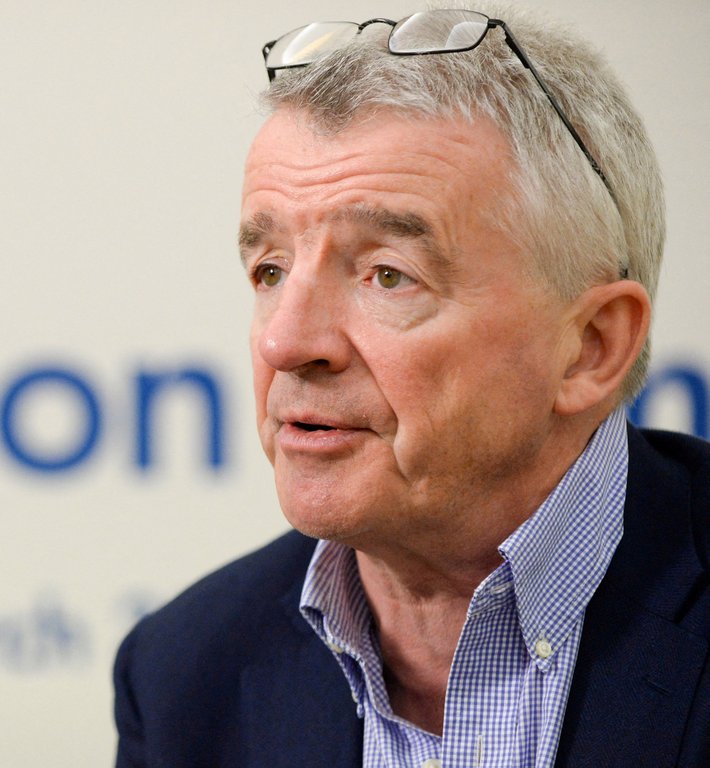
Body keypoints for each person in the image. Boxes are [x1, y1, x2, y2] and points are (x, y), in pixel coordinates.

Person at [112, 4, 710, 767]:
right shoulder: (183, 677)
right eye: (270, 270)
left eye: (387, 276)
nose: (284, 342)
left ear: (590, 347)